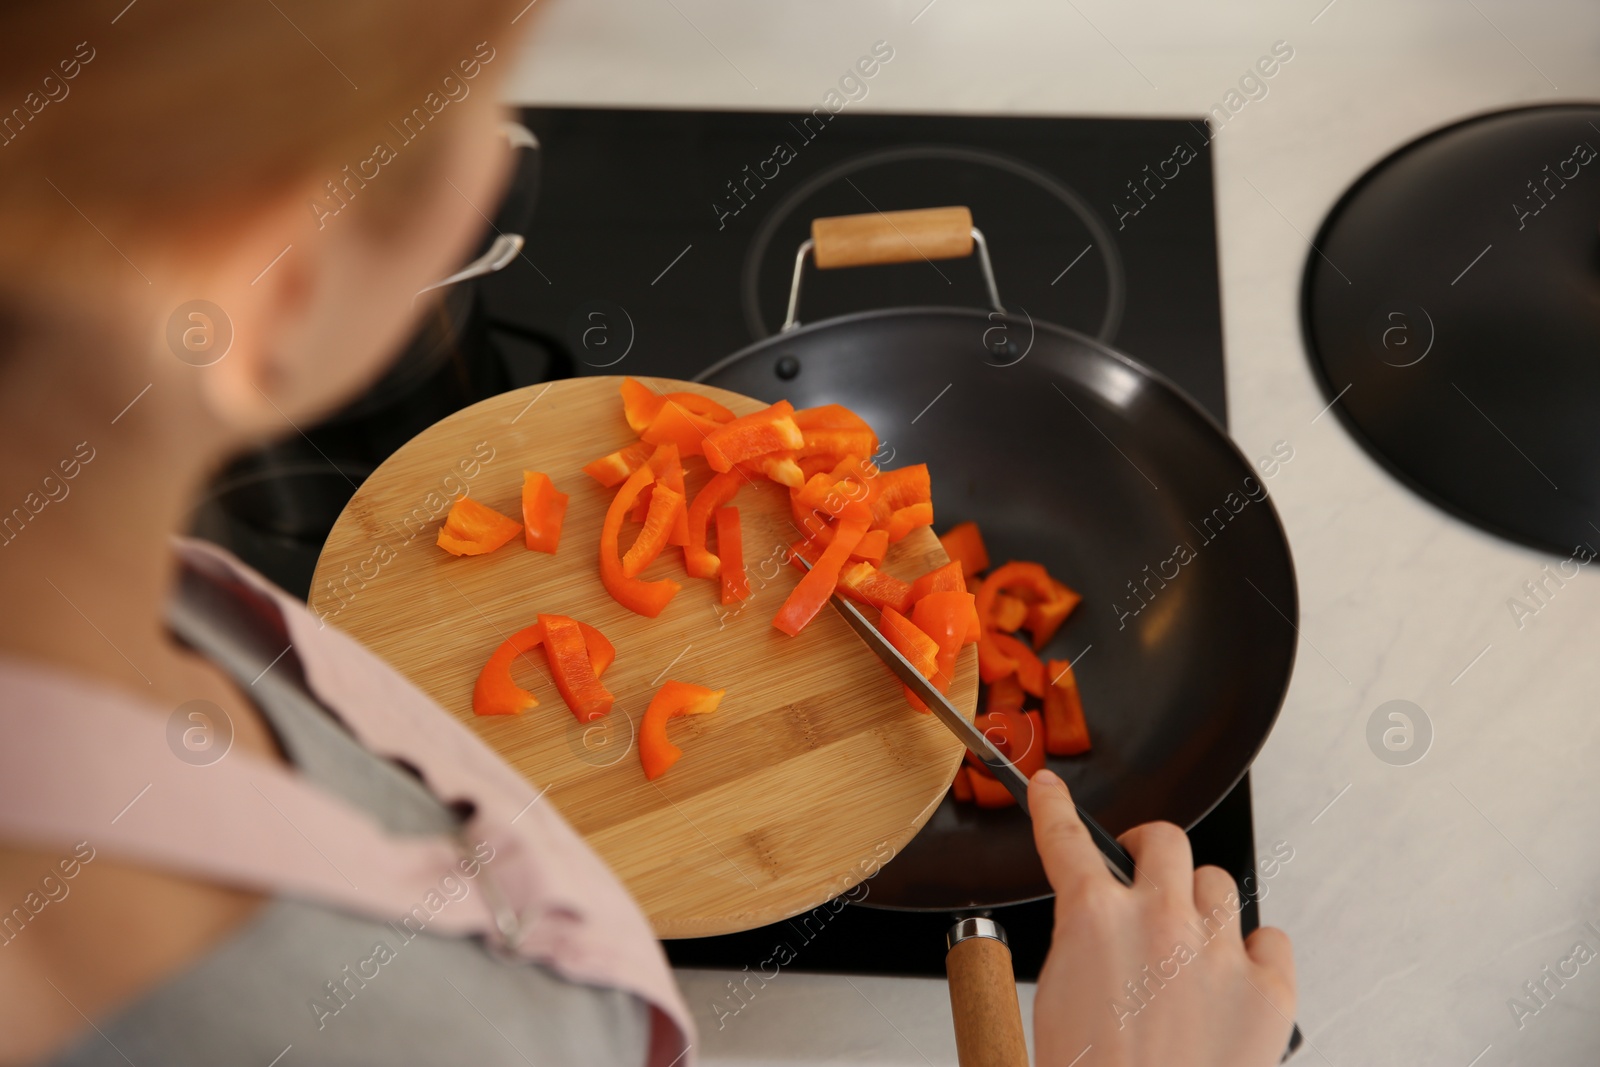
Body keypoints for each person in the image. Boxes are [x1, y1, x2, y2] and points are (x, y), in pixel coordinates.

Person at [0, 2, 1295, 1064]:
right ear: (275, 283)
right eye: (477, 110)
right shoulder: (450, 1042)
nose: (499, 160)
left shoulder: (134, 612)